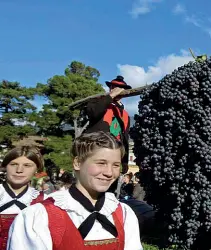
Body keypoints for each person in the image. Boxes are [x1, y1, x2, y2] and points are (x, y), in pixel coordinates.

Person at [7, 131, 143, 250]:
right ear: (77, 163)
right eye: (101, 163)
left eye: (116, 165)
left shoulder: (123, 213)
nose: (109, 172)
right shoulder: (39, 216)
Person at [0, 146, 45, 250]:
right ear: (5, 166)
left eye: (27, 165)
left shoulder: (43, 201)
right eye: (13, 164)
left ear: (37, 169)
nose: (19, 170)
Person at [85, 75, 132, 173]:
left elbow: (125, 139)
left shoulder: (126, 115)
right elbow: (93, 113)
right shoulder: (98, 102)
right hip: (95, 151)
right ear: (110, 88)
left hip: (114, 155)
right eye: (113, 87)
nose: (117, 90)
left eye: (121, 88)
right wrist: (110, 96)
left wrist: (124, 161)